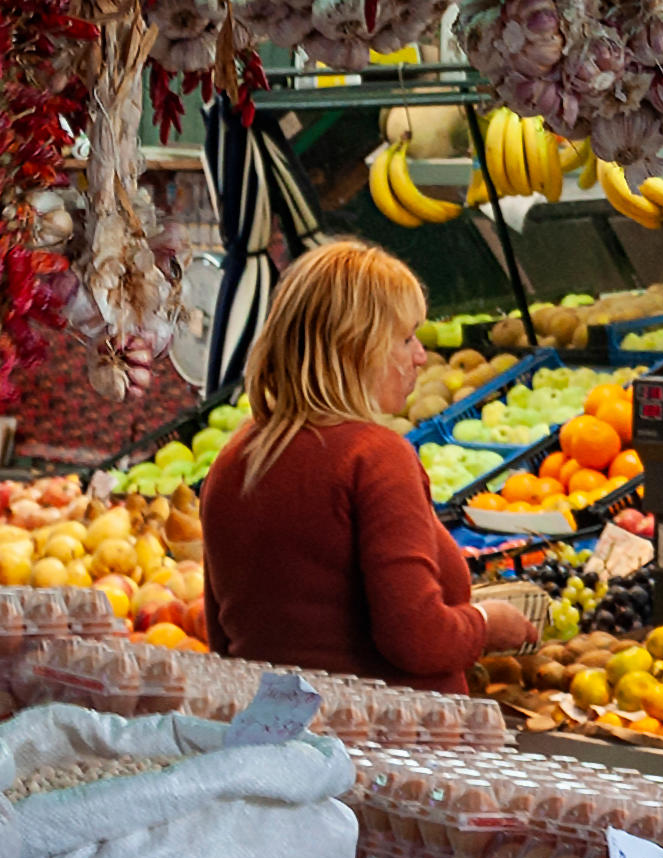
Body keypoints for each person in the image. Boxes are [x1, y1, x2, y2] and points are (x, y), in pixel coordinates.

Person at [200, 240, 526, 689]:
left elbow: (223, 637)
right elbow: (417, 638)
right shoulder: (375, 456)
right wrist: (488, 625)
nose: (420, 356)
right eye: (406, 337)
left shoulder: (236, 457)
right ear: (358, 345)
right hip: (388, 746)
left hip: (277, 736)